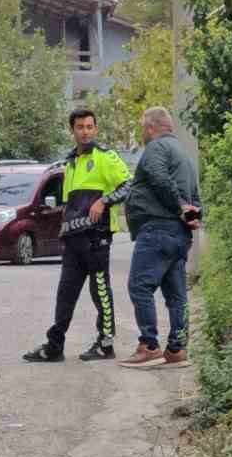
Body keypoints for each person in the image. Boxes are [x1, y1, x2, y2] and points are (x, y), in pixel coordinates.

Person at [22, 108, 131, 363]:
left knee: (99, 289)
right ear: (72, 131)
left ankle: (105, 344)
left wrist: (104, 200)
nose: (85, 132)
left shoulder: (106, 157)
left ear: (95, 129)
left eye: (90, 127)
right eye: (80, 127)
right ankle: (54, 346)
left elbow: (128, 184)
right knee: (66, 292)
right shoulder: (70, 162)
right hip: (72, 238)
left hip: (97, 236)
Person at [119, 107, 203, 368]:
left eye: (144, 128)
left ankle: (149, 346)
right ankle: (177, 349)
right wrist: (193, 215)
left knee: (139, 286)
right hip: (179, 235)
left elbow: (158, 178)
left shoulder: (156, 148)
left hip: (157, 229)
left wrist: (178, 207)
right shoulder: (184, 155)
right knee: (176, 294)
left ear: (151, 128)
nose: (143, 133)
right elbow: (195, 197)